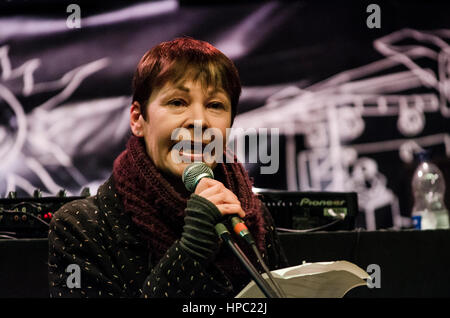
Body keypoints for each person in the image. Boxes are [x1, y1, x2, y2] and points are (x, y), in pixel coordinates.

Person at [48, 37, 288, 298]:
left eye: (215, 105)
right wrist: (192, 248)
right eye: (177, 102)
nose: (198, 121)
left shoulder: (253, 217)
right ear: (138, 119)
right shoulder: (83, 226)